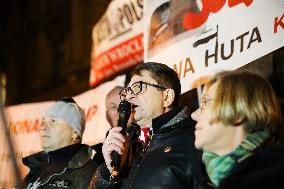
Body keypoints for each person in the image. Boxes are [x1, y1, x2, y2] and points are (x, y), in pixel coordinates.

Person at [91, 62, 199, 189]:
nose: (129, 97)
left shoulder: (196, 139)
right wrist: (109, 170)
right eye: (128, 91)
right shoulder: (127, 143)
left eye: (138, 88)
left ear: (167, 97)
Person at [191, 70, 284, 189]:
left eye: (205, 103)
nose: (194, 115)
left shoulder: (274, 177)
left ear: (237, 113)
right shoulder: (202, 179)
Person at [22, 97, 98, 189]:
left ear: (74, 132)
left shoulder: (89, 172)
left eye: (53, 121)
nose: (43, 127)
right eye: (43, 121)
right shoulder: (36, 170)